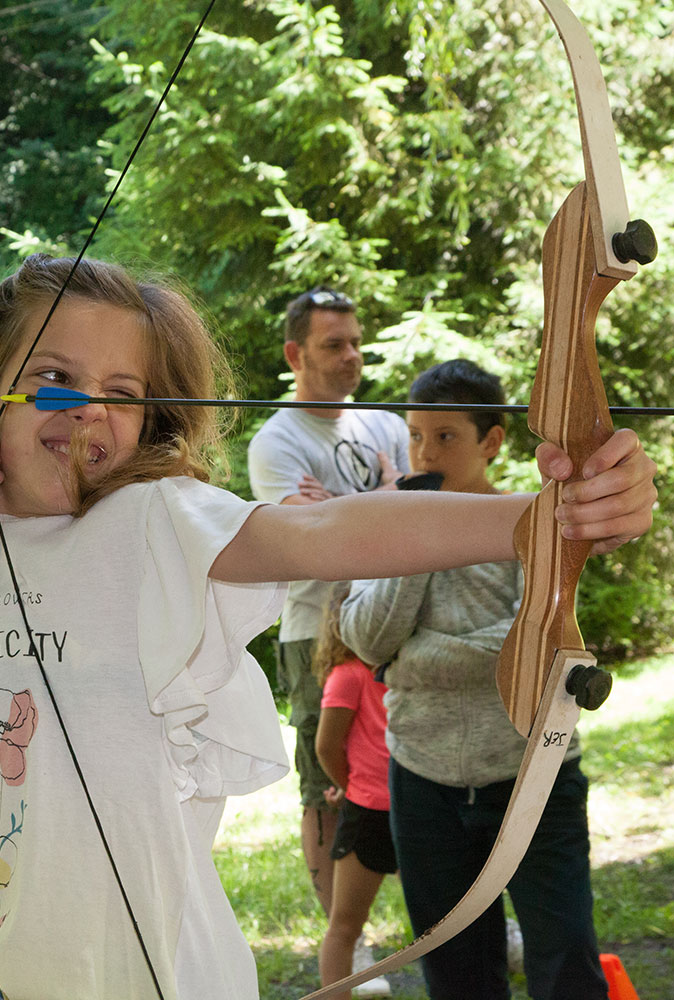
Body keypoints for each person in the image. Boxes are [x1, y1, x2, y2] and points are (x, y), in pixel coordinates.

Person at [0, 254, 656, 1000]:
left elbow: (324, 532)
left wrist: (545, 519)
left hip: (145, 970)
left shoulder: (156, 519)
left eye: (123, 394)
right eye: (55, 377)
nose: (89, 409)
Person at [338, 359, 609, 1000]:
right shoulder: (387, 522)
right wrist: (417, 540)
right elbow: (365, 638)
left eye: (446, 437)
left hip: (532, 774)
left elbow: (537, 646)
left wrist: (408, 659)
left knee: (565, 960)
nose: (425, 453)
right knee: (455, 970)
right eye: (415, 436)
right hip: (423, 781)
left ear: (491, 441)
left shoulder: (535, 523)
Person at [246, 287, 409, 911]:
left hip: (396, 623)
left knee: (425, 770)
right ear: (296, 354)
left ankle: (454, 921)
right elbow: (315, 543)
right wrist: (388, 499)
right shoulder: (277, 441)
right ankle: (346, 942)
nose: (352, 356)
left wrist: (340, 508)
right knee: (326, 787)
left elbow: (415, 517)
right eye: (334, 345)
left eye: (356, 343)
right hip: (317, 634)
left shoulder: (386, 425)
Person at [312, 587, 394, 996]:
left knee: (446, 919)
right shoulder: (348, 674)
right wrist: (352, 788)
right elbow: (326, 746)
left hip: (420, 804)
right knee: (344, 926)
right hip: (370, 814)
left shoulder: (403, 667)